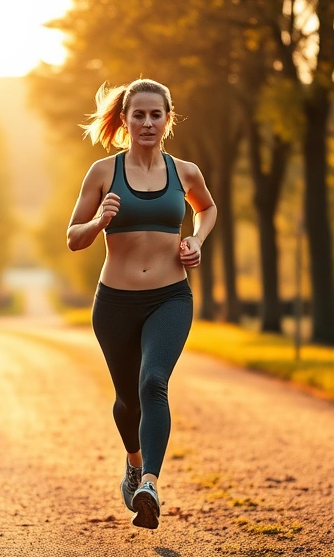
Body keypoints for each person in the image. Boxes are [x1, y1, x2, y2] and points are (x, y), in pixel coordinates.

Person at [66, 78, 217, 529]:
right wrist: (98, 220)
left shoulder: (185, 172)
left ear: (167, 120)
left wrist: (196, 239)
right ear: (126, 121)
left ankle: (150, 481)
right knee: (128, 398)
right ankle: (133, 465)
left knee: (153, 383)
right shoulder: (102, 172)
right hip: (114, 304)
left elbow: (206, 209)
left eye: (156, 114)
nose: (147, 122)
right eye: (139, 114)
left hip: (171, 297)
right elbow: (73, 237)